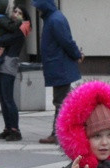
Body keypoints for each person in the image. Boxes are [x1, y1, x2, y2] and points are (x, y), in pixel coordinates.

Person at [32, 0, 84, 145]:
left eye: (38, 6)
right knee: (61, 101)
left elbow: (66, 41)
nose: (37, 9)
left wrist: (77, 54)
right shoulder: (53, 18)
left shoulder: (55, 20)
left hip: (60, 66)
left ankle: (58, 134)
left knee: (61, 102)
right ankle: (61, 132)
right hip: (58, 65)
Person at [0, 4, 32, 142]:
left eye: (20, 13)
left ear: (24, 17)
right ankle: (7, 128)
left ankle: (15, 130)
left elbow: (4, 40)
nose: (16, 14)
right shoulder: (9, 26)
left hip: (8, 66)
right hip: (0, 65)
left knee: (8, 99)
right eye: (15, 11)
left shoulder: (20, 30)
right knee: (2, 99)